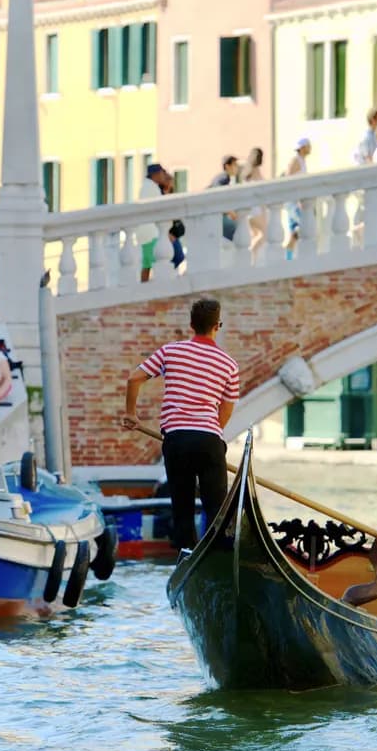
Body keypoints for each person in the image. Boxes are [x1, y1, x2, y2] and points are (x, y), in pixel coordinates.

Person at [122, 297, 239, 551]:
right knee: (217, 511)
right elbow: (226, 411)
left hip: (176, 440)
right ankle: (219, 559)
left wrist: (131, 414)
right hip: (209, 440)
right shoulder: (229, 364)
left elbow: (134, 379)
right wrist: (208, 435)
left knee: (182, 509)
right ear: (217, 326)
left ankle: (187, 555)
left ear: (191, 325)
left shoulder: (170, 351)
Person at [136, 163, 175, 281]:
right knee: (148, 263)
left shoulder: (149, 186)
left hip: (148, 232)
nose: (164, 176)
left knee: (148, 263)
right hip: (149, 232)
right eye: (162, 173)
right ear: (155, 174)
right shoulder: (150, 188)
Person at [284, 138, 311, 256]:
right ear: (302, 147)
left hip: (297, 201)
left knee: (295, 232)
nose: (310, 148)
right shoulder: (295, 160)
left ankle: (289, 256)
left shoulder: (302, 161)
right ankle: (288, 255)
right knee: (302, 226)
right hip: (293, 202)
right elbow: (288, 178)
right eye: (308, 145)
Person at [241, 147, 270, 255]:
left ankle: (253, 262)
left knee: (255, 236)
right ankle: (249, 254)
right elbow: (261, 190)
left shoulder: (247, 172)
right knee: (264, 235)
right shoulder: (256, 172)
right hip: (256, 210)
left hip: (249, 211)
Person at [209, 155, 239, 241]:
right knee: (233, 228)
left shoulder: (226, 178)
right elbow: (217, 197)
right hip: (215, 214)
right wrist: (231, 212)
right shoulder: (223, 178)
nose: (237, 168)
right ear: (227, 166)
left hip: (218, 214)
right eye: (234, 165)